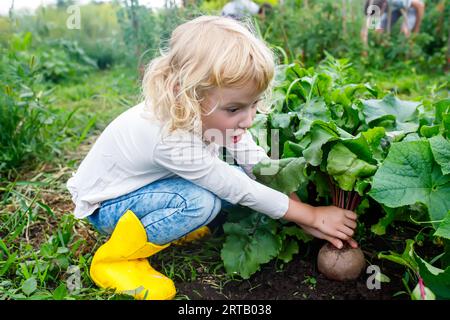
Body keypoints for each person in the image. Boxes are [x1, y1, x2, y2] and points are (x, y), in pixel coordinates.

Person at [66, 16, 358, 301]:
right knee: (200, 202)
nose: (248, 119)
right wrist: (310, 215)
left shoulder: (207, 114)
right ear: (187, 95)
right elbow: (236, 186)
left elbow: (253, 160)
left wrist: (297, 205)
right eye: (234, 109)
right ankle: (115, 260)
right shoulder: (167, 137)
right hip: (109, 206)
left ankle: (167, 227)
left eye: (253, 104)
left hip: (145, 190)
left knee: (233, 183)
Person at [361, 0, 425, 50]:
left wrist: (416, 31)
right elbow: (365, 28)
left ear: (384, 6)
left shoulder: (396, 1)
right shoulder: (374, 4)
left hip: (414, 6)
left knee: (405, 32)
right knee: (379, 30)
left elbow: (420, 6)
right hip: (394, 7)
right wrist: (364, 47)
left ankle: (408, 53)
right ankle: (381, 48)